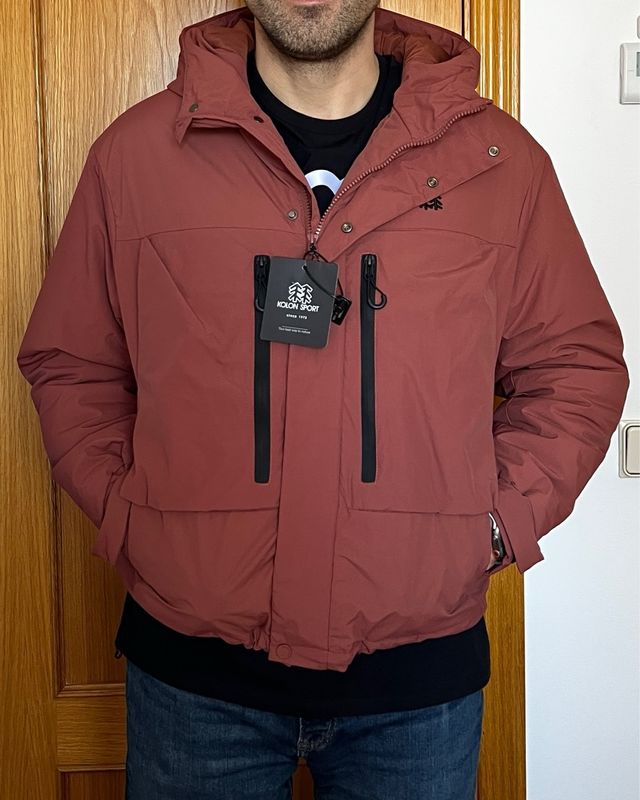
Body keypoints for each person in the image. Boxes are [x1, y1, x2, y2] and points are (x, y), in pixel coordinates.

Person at [16, 2, 629, 798]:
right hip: (191, 680)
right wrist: (132, 514)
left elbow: (575, 368)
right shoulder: (134, 157)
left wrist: (494, 523)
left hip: (418, 691)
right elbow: (73, 365)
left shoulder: (499, 163)